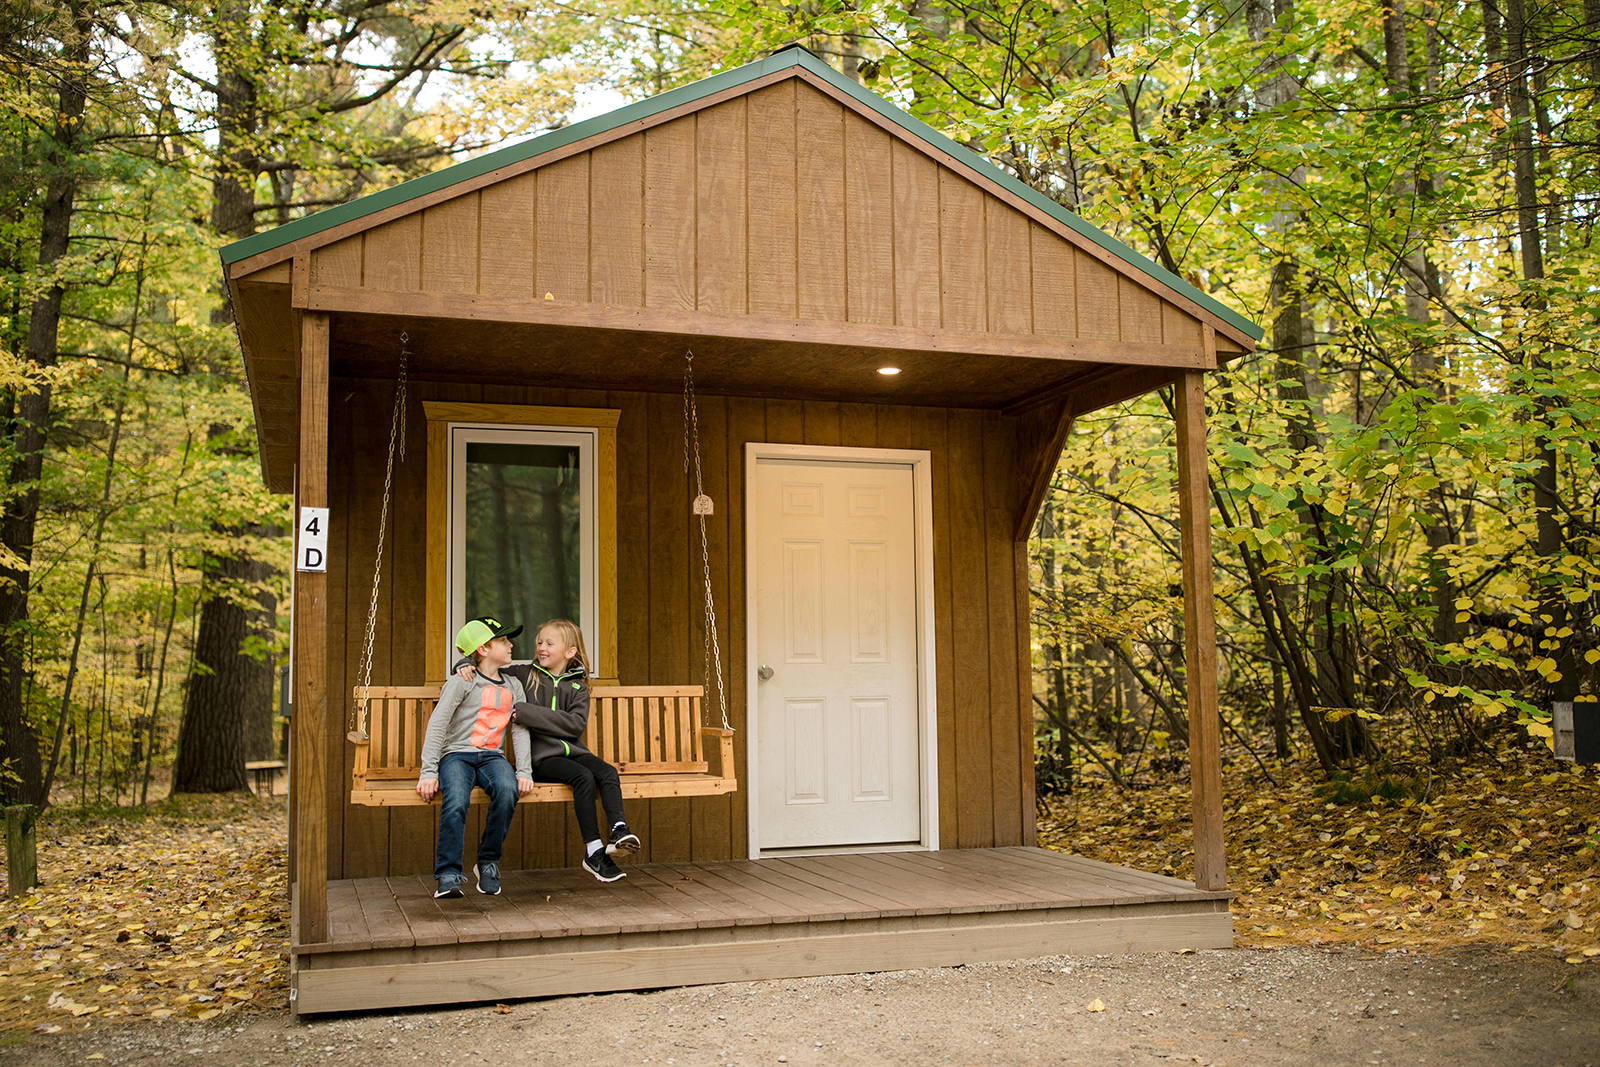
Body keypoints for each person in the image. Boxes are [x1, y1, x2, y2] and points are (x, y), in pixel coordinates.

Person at [455, 618, 639, 882]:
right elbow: (487, 664)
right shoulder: (524, 675)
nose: (541, 647)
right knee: (583, 777)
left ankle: (619, 830)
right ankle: (593, 850)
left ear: (570, 651)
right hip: (541, 760)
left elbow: (575, 726)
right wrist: (464, 663)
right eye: (539, 642)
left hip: (574, 753)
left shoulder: (577, 686)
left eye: (549, 643)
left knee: (607, 772)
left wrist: (528, 713)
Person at [418, 616, 535, 898]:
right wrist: (429, 771)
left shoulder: (513, 685)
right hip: (456, 756)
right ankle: (448, 873)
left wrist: (524, 771)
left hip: (492, 757)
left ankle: (488, 862)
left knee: (507, 790)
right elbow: (438, 724)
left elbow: (519, 731)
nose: (510, 645)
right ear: (483, 649)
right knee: (457, 798)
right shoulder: (462, 682)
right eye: (503, 640)